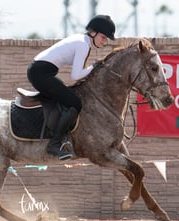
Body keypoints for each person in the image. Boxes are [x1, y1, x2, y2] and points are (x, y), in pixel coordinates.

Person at [27, 14, 116, 160]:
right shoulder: (83, 44)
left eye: (106, 38)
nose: (105, 41)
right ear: (93, 33)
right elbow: (76, 75)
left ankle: (61, 138)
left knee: (68, 97)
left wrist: (93, 67)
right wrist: (95, 66)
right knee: (75, 103)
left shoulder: (82, 41)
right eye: (103, 37)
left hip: (40, 71)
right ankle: (54, 145)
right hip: (41, 73)